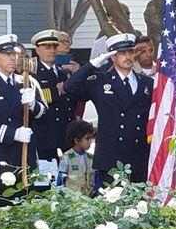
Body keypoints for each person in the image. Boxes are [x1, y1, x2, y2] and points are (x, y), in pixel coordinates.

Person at [64, 33, 153, 186]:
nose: (127, 57)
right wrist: (94, 64)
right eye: (121, 53)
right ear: (112, 56)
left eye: (130, 52)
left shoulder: (146, 83)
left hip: (139, 155)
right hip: (111, 155)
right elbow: (70, 86)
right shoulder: (100, 81)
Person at [0, 34, 47, 205]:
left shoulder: (27, 82)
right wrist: (13, 134)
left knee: (27, 216)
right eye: (7, 54)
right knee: (1, 215)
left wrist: (34, 105)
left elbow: (44, 115)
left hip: (25, 159)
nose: (13, 58)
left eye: (15, 54)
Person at [30, 30, 78, 161]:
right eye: (47, 48)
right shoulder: (31, 73)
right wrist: (56, 91)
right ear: (38, 50)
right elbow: (33, 99)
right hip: (45, 132)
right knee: (47, 175)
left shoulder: (64, 71)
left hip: (66, 132)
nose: (52, 51)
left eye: (54, 47)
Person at [58, 120, 96, 196]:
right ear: (76, 140)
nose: (90, 141)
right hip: (72, 202)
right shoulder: (66, 157)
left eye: (91, 138)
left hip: (89, 200)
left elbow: (96, 182)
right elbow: (60, 181)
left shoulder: (91, 158)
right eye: (87, 139)